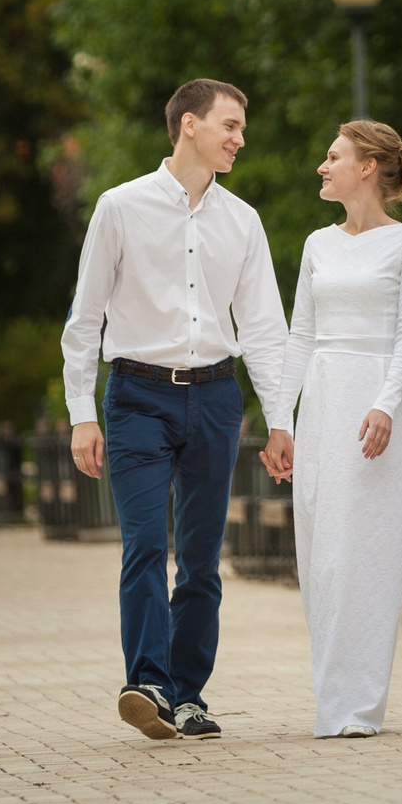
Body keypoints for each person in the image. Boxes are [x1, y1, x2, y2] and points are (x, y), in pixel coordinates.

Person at [62, 79, 294, 742]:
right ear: (188, 124)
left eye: (242, 127)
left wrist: (281, 422)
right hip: (136, 397)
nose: (239, 138)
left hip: (217, 399)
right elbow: (84, 321)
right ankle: (149, 683)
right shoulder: (120, 208)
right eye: (230, 124)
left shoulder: (241, 220)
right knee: (144, 545)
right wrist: (83, 411)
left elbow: (264, 330)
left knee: (199, 557)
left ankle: (188, 694)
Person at [260, 120, 402, 739]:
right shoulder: (317, 244)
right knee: (322, 556)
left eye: (332, 157)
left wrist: (387, 403)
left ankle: (357, 709)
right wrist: (281, 420)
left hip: (378, 411)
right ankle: (332, 699)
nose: (321, 166)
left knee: (368, 556)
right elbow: (300, 335)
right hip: (324, 404)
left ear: (366, 167)